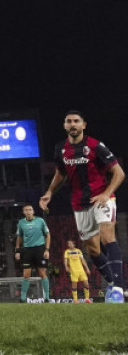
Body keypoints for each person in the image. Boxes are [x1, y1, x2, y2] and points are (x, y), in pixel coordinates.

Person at [39, 109, 125, 303]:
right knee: (93, 249)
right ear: (64, 125)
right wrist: (50, 192)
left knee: (107, 235)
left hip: (102, 198)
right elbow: (61, 174)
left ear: (84, 125)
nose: (73, 124)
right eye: (69, 121)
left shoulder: (96, 146)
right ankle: (113, 282)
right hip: (79, 203)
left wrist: (105, 193)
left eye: (76, 121)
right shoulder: (60, 149)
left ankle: (119, 289)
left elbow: (119, 173)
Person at [15, 204, 50, 303]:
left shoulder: (40, 221)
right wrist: (17, 251)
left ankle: (47, 297)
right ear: (24, 212)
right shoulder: (21, 223)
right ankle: (22, 298)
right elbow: (19, 237)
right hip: (27, 250)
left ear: (33, 211)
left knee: (42, 273)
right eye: (26, 210)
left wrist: (47, 249)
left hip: (40, 249)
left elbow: (47, 235)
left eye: (30, 209)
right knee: (26, 274)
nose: (28, 211)